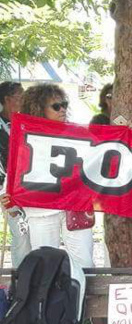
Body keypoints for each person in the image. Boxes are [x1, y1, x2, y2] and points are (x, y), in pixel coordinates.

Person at [1, 83, 94, 268]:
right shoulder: (23, 137)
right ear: (39, 109)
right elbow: (16, 169)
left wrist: (125, 131)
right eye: (56, 106)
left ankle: (84, 297)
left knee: (83, 263)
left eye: (64, 105)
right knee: (44, 266)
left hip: (73, 208)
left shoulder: (77, 134)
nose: (62, 110)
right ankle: (43, 297)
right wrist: (8, 194)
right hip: (40, 212)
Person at [0, 81, 30, 267]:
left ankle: (28, 281)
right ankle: (20, 284)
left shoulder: (26, 122)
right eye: (21, 96)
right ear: (8, 100)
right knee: (21, 235)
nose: (25, 101)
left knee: (27, 234)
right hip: (6, 189)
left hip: (27, 187)